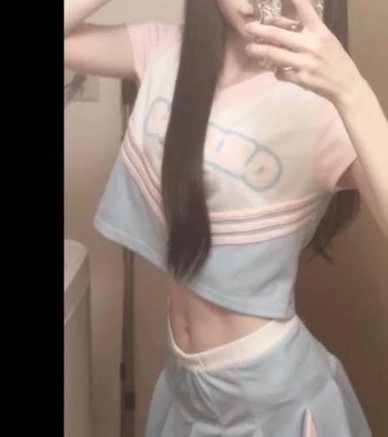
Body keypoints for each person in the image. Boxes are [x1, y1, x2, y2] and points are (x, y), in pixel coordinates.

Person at [64, 0, 388, 435]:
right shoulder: (166, 52)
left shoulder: (320, 107)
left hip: (268, 399)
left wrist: (352, 91)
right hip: (182, 386)